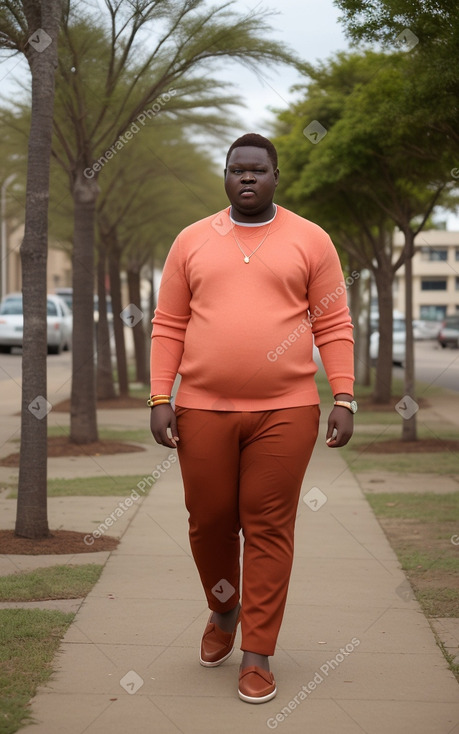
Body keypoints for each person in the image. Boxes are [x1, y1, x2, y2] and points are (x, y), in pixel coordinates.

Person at [149, 132, 356, 704]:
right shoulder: (191, 240)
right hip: (202, 408)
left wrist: (344, 396)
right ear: (225, 175)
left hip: (286, 411)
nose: (246, 178)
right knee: (209, 519)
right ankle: (223, 610)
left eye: (257, 170)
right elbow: (168, 324)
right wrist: (159, 397)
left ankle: (258, 653)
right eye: (236, 169)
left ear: (275, 176)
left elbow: (333, 325)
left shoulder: (310, 239)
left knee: (266, 527)